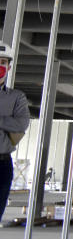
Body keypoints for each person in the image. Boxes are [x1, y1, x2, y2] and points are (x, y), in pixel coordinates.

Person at [0, 43, 29, 221]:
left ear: (9, 67)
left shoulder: (16, 97)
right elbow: (14, 123)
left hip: (2, 164)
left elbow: (21, 124)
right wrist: (5, 122)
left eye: (3, 62)